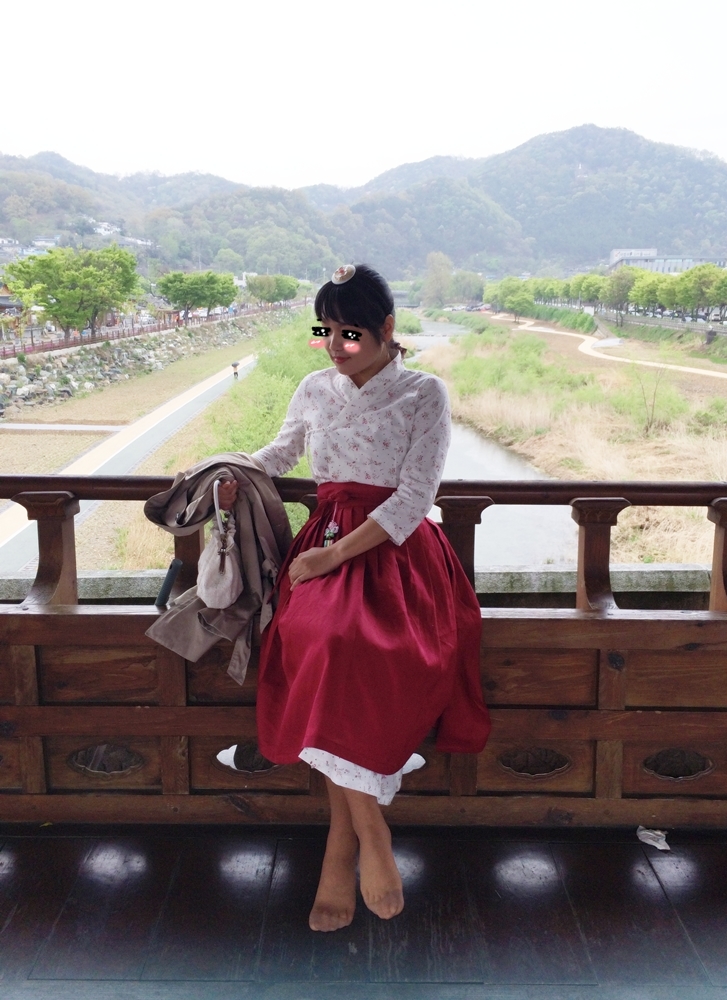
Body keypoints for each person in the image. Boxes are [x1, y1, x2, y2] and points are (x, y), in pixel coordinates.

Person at [217, 263, 490, 932]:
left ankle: (341, 847)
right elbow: (281, 453)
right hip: (325, 542)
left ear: (386, 328)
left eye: (350, 333)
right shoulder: (315, 387)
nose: (335, 346)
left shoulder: (424, 393)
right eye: (326, 331)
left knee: (357, 648)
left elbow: (416, 495)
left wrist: (334, 557)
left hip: (393, 553)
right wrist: (225, 473)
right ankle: (369, 833)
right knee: (319, 639)